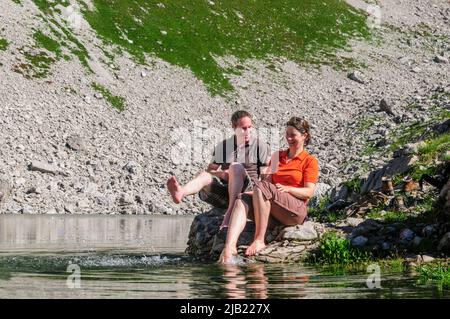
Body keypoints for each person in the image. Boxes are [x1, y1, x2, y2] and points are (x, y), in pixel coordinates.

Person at [219, 117, 319, 263]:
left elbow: (309, 192)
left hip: (295, 212)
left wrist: (288, 189)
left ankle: (259, 239)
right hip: (274, 211)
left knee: (261, 187)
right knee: (243, 199)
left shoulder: (309, 161)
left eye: (293, 135)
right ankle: (229, 247)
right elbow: (266, 183)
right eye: (287, 134)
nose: (289, 138)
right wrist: (254, 194)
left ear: (305, 136)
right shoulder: (277, 156)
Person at [167, 110, 271, 229]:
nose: (247, 132)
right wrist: (221, 174)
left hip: (248, 193)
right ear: (234, 127)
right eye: (243, 128)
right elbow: (210, 171)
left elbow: (267, 177)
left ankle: (230, 214)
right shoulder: (224, 146)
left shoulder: (260, 146)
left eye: (249, 127)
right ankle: (181, 192)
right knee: (204, 175)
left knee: (235, 167)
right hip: (226, 191)